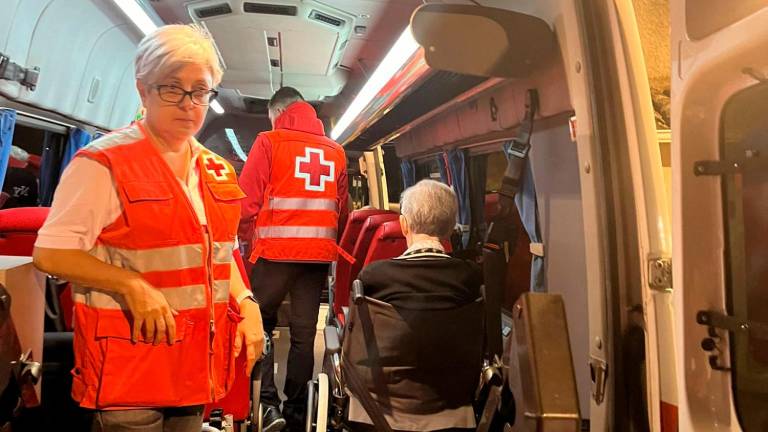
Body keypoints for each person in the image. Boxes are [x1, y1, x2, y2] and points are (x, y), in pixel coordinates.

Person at [32, 24, 264, 432]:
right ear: (143, 91)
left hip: (194, 364)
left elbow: (220, 255)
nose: (188, 103)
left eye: (200, 91)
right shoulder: (101, 164)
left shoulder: (217, 170)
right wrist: (130, 285)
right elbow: (50, 253)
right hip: (130, 364)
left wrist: (247, 303)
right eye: (171, 88)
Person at [238, 86, 348, 431]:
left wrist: (239, 238)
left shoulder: (269, 141)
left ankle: (268, 405)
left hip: (275, 254)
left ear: (278, 112)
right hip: (316, 256)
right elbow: (340, 209)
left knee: (262, 323)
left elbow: (246, 203)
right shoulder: (336, 151)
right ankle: (299, 408)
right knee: (303, 333)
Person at [353, 179, 482, 432]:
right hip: (453, 401)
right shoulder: (471, 278)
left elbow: (355, 344)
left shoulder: (374, 277)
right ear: (450, 228)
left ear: (404, 225)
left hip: (381, 405)